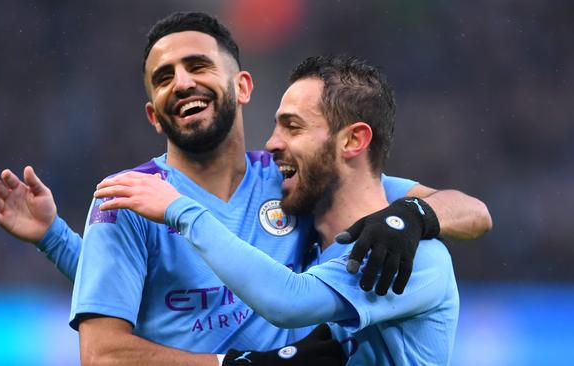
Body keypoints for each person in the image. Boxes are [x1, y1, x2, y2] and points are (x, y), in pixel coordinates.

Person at [0, 12, 491, 366]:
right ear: (153, 115)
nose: (181, 81)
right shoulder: (129, 199)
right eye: (163, 78)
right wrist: (231, 364)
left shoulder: (296, 180)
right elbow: (105, 352)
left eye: (198, 66)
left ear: (243, 87)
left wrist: (414, 217)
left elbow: (468, 210)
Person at [95, 55, 464, 365]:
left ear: (353, 140)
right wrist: (57, 241)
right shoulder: (313, 242)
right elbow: (202, 290)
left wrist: (182, 210)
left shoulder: (407, 257)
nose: (271, 143)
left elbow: (289, 301)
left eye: (292, 127)